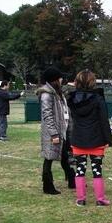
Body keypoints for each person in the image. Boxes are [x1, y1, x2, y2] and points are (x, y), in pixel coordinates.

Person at [67, 70, 112, 207]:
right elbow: (103, 120)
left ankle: (81, 199)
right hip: (96, 139)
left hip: (78, 138)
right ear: (92, 82)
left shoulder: (71, 99)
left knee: (80, 169)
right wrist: (108, 139)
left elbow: (72, 119)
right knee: (97, 170)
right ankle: (100, 199)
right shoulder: (98, 99)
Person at [36, 67, 75, 195]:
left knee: (64, 156)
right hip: (54, 132)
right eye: (60, 77)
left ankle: (71, 179)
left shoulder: (58, 93)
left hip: (62, 130)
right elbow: (47, 115)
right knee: (49, 158)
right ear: (54, 79)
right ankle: (47, 185)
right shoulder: (47, 95)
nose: (62, 79)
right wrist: (54, 133)